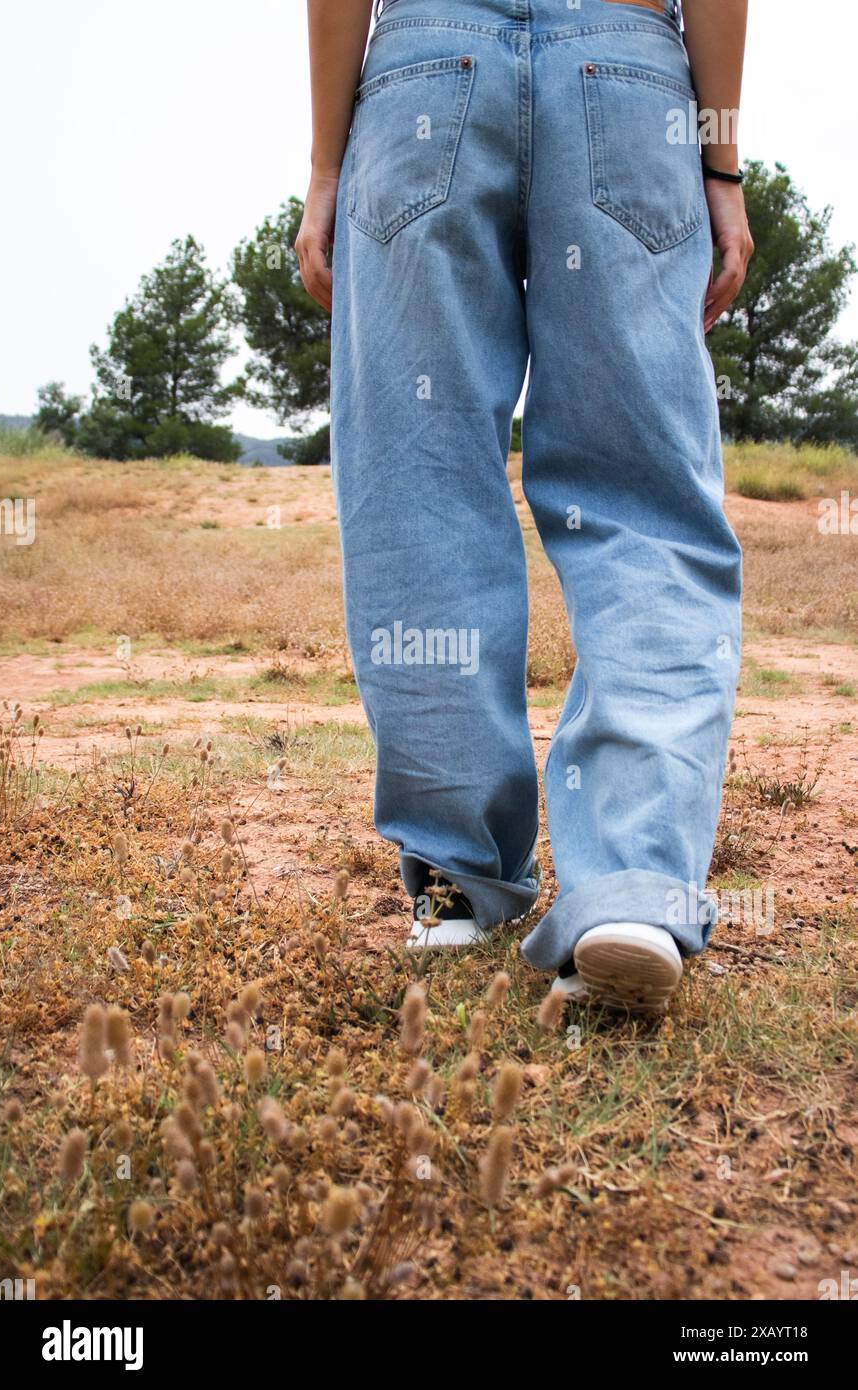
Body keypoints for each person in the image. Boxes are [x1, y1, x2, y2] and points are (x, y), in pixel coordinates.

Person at [297, 0, 753, 1013]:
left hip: (424, 72)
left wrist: (327, 167)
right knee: (644, 506)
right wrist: (719, 168)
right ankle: (631, 884)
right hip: (626, 77)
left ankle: (459, 883)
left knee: (420, 489)